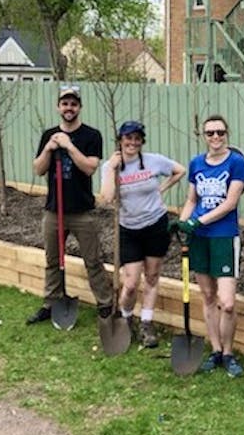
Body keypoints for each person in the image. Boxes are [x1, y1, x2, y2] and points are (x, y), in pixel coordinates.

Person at [27, 85, 114, 325]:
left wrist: (68, 145)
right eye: (65, 103)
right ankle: (51, 302)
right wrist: (49, 148)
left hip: (82, 210)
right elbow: (38, 169)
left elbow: (89, 167)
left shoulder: (91, 136)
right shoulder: (49, 135)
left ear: (79, 107)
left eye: (73, 103)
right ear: (58, 107)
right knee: (52, 260)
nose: (69, 108)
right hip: (54, 210)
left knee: (93, 260)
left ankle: (106, 303)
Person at [98, 120, 185, 348]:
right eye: (128, 138)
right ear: (120, 140)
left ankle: (147, 322)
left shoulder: (153, 161)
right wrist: (111, 169)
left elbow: (179, 170)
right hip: (129, 230)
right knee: (131, 283)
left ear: (141, 141)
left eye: (137, 138)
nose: (133, 142)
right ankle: (126, 318)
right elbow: (106, 198)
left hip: (156, 225)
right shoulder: (110, 166)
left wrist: (162, 188)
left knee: (153, 276)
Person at [174, 115, 244, 377]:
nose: (215, 137)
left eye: (219, 132)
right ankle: (216, 350)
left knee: (227, 302)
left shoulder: (236, 162)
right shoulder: (196, 163)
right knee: (207, 296)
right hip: (199, 238)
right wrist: (182, 223)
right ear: (203, 136)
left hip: (224, 236)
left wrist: (197, 222)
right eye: (210, 133)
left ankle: (229, 353)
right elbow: (192, 199)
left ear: (226, 133)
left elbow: (230, 203)